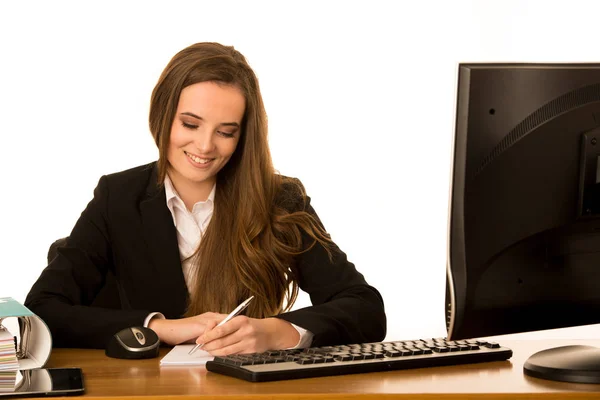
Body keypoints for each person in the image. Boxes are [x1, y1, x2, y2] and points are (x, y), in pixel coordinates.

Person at [25, 42, 386, 355]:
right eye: (190, 124)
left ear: (243, 135)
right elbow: (43, 310)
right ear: (163, 114)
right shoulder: (117, 197)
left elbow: (365, 308)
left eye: (226, 132)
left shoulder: (280, 198)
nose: (205, 146)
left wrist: (277, 331)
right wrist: (160, 326)